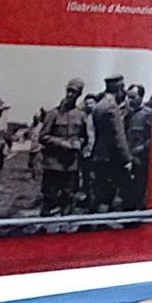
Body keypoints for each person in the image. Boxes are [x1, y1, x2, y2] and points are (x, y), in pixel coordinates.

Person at [36, 78, 88, 216]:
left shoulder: (81, 115)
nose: (70, 94)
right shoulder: (53, 113)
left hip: (71, 165)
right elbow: (43, 137)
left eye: (74, 92)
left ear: (79, 95)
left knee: (68, 196)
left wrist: (80, 142)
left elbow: (85, 136)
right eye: (69, 91)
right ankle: (44, 227)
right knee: (49, 197)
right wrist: (61, 143)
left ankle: (65, 228)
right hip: (53, 164)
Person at [86, 74, 131, 213]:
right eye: (122, 87)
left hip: (99, 156)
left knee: (99, 193)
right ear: (118, 88)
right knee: (107, 195)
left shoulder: (99, 105)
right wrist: (127, 158)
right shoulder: (112, 107)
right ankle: (99, 226)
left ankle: (88, 224)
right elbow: (118, 136)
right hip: (110, 158)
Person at [121, 83, 152, 211]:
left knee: (138, 191)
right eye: (128, 97)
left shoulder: (147, 114)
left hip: (140, 160)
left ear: (140, 97)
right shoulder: (126, 115)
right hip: (127, 158)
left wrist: (142, 148)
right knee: (126, 192)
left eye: (133, 97)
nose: (129, 100)